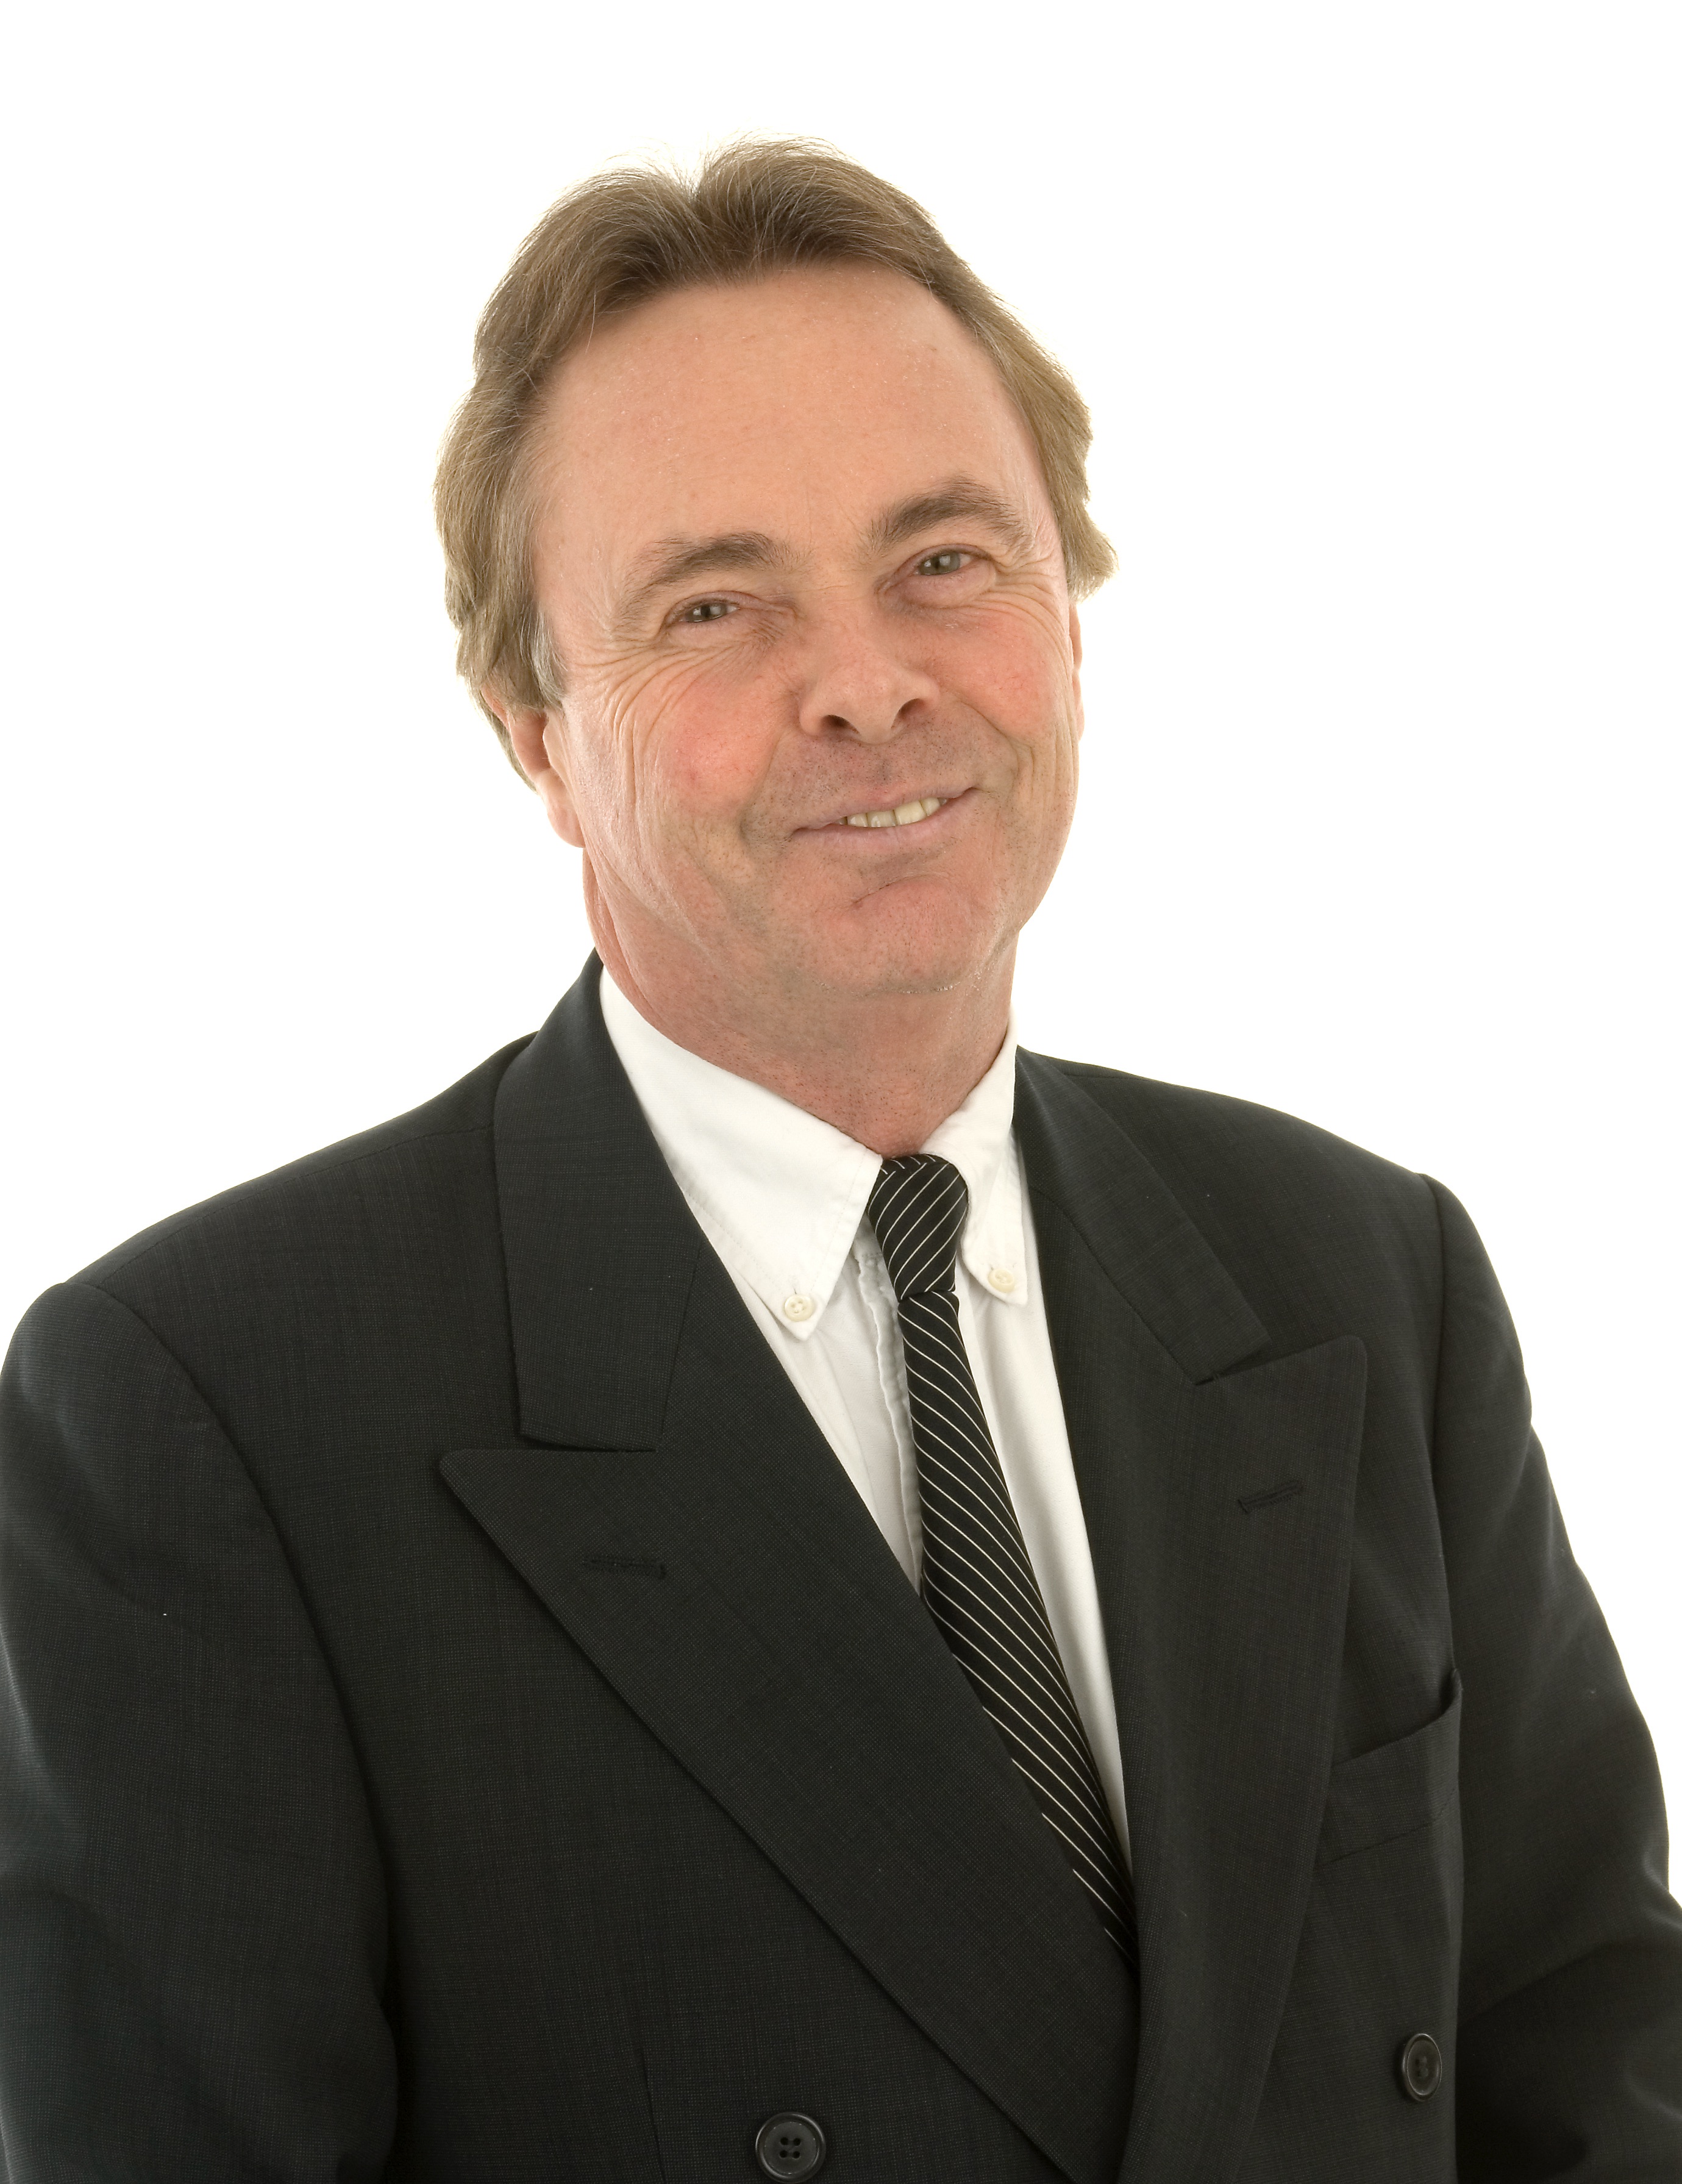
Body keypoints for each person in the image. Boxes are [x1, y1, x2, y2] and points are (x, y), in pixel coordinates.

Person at [1, 138, 1678, 2184]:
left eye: (946, 562)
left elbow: (1592, 2054)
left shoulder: (1360, 1270)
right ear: (535, 732)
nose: (870, 684)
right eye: (715, 605)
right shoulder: (208, 1413)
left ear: (1073, 620)